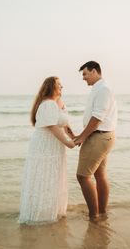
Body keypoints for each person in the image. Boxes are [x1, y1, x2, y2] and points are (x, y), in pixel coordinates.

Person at [19, 76, 75, 224]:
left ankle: (51, 210)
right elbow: (52, 127)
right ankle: (40, 215)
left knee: (53, 177)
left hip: (54, 146)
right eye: (59, 85)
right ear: (51, 87)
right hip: (45, 146)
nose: (62, 87)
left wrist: (73, 136)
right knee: (45, 177)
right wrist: (68, 143)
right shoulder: (48, 104)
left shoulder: (56, 103)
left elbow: (64, 123)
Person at [74, 61, 117, 220]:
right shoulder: (98, 88)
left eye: (85, 74)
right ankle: (101, 212)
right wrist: (82, 134)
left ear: (94, 71)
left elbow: (98, 117)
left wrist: (82, 137)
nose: (83, 78)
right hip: (101, 136)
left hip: (99, 136)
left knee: (82, 176)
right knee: (100, 175)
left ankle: (94, 216)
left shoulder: (103, 89)